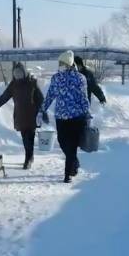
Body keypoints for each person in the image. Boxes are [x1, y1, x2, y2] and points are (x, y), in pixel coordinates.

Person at [40, 50, 90, 183]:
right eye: (59, 63)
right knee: (62, 142)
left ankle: (67, 175)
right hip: (61, 117)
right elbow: (50, 95)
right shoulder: (56, 78)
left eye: (62, 63)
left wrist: (87, 114)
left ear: (68, 63)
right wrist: (42, 109)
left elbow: (84, 98)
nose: (60, 65)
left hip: (76, 117)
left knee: (72, 146)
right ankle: (74, 162)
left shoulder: (80, 79)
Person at [0, 62, 44, 170]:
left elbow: (40, 98)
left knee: (30, 137)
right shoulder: (13, 85)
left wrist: (42, 111)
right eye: (16, 74)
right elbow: (4, 97)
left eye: (19, 73)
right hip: (20, 115)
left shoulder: (32, 83)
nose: (18, 75)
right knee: (24, 137)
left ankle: (28, 158)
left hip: (32, 114)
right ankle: (29, 155)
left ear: (24, 72)